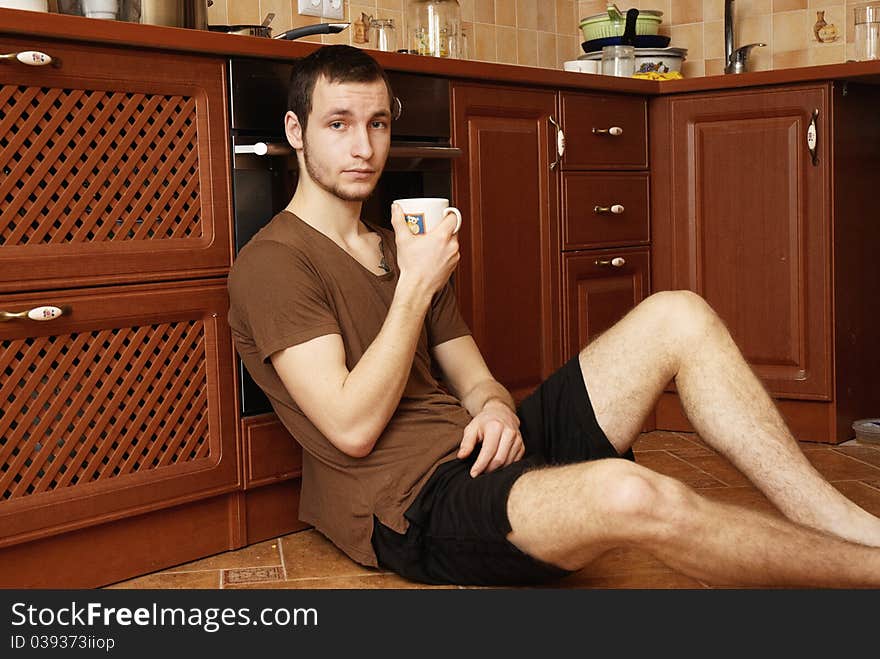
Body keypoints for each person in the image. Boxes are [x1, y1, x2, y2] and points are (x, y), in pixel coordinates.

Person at [227, 44, 880, 588]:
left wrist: (494, 411)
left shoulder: (399, 245)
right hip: (414, 502)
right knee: (632, 492)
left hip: (486, 452)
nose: (362, 145)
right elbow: (351, 427)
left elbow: (477, 379)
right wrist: (416, 287)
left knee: (678, 314)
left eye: (376, 123)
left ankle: (845, 524)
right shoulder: (273, 264)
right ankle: (865, 572)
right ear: (295, 132)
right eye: (337, 124)